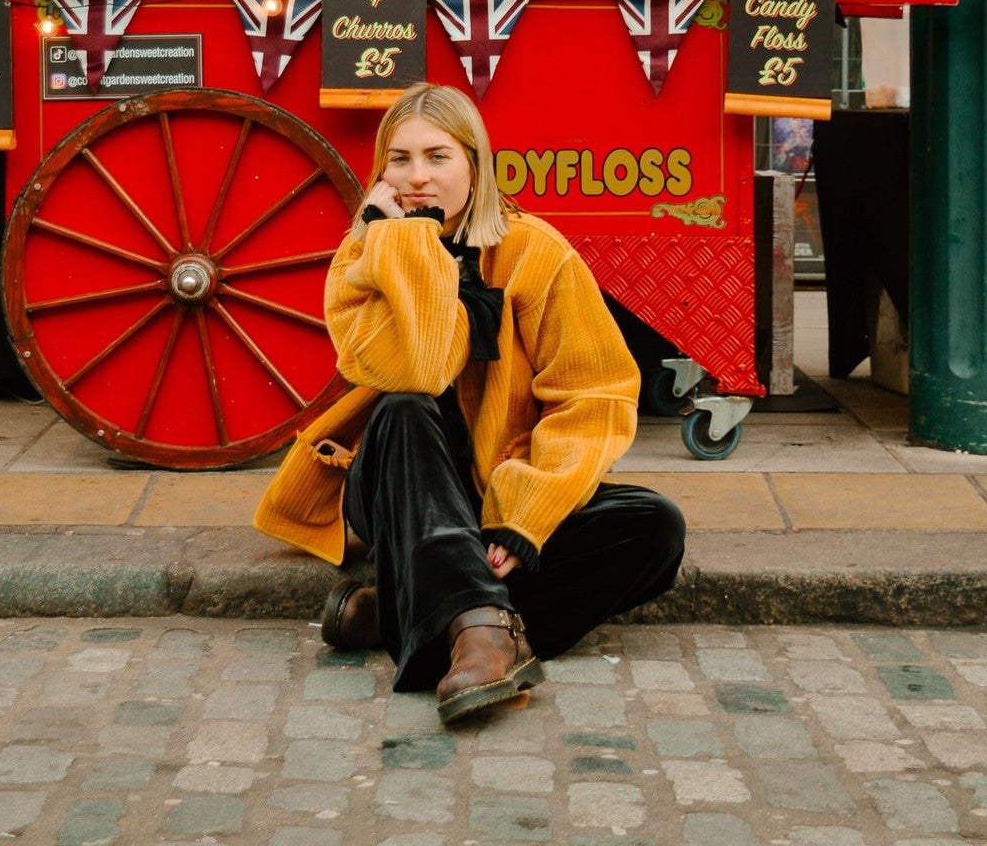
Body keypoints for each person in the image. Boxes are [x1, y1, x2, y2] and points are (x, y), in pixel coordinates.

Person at [254, 82, 685, 724]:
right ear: (380, 172)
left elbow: (594, 393)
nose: (417, 176)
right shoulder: (360, 260)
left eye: (438, 156)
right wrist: (400, 244)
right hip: (402, 482)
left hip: (497, 484)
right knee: (402, 406)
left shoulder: (534, 250)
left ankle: (408, 611)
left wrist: (525, 514)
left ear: (474, 165)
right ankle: (481, 636)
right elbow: (419, 368)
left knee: (655, 528)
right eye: (399, 159)